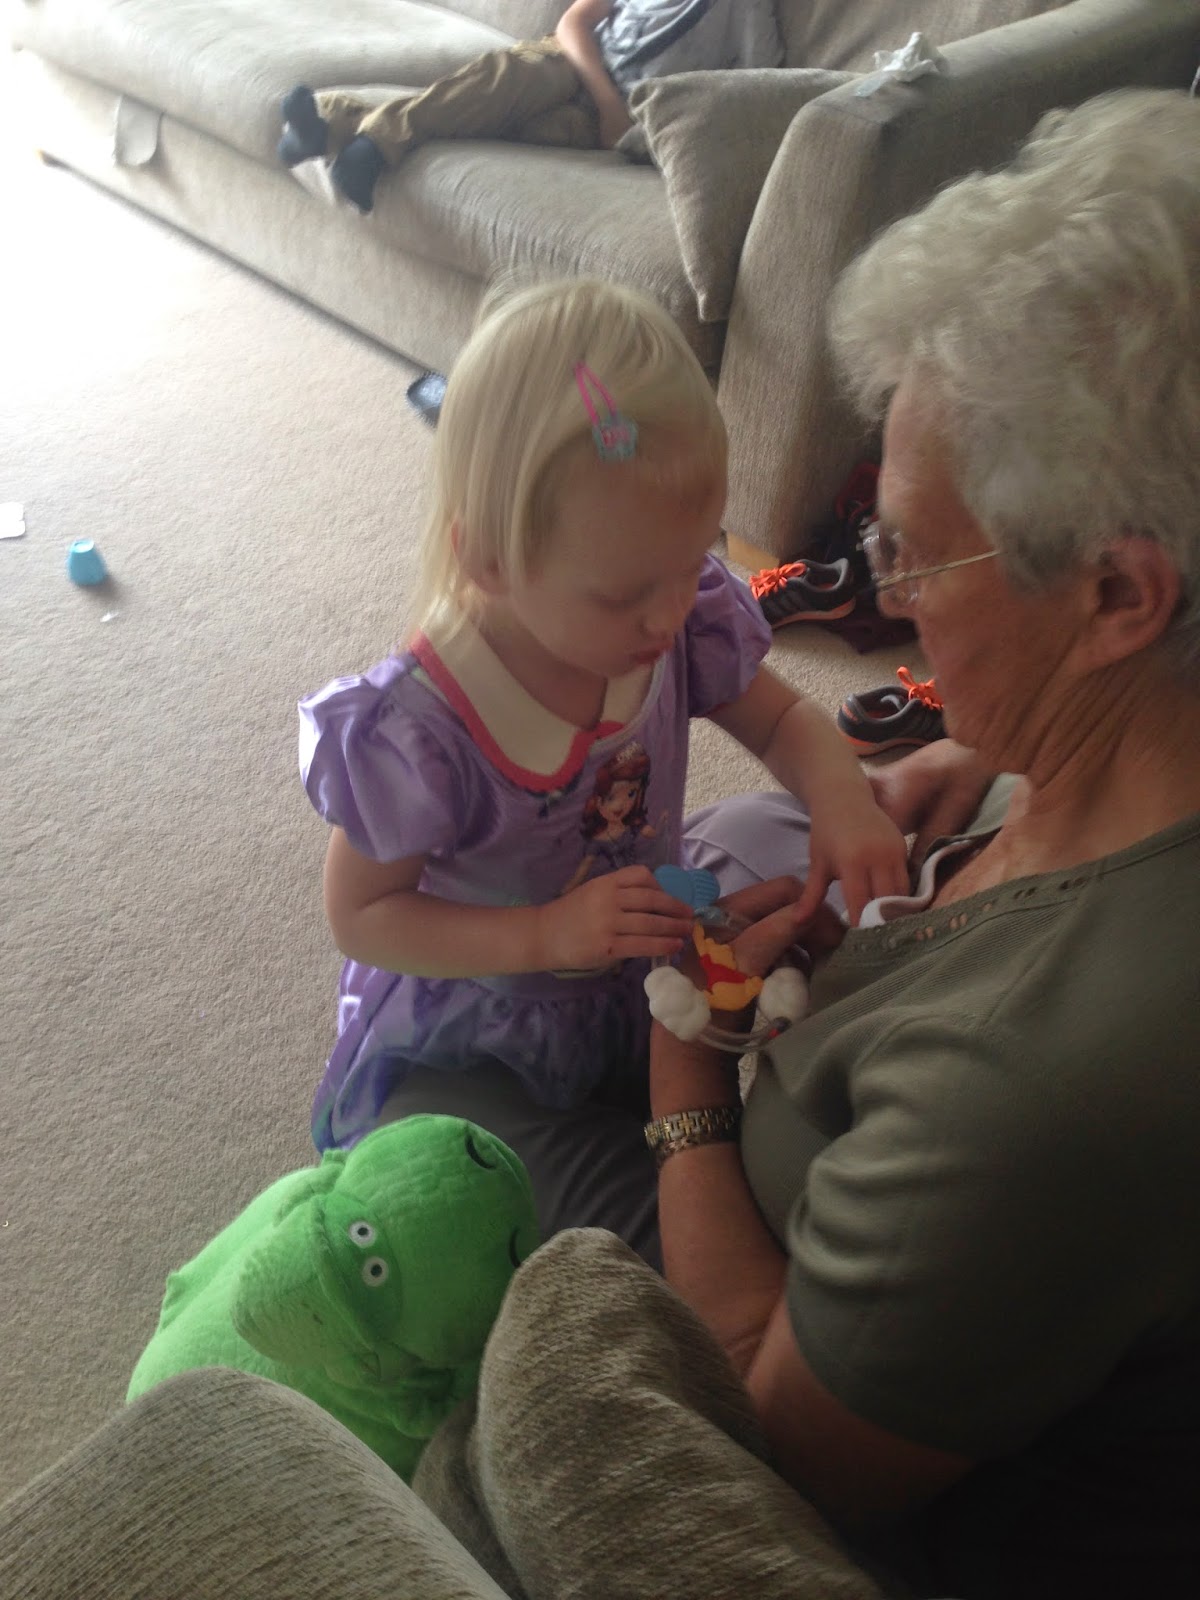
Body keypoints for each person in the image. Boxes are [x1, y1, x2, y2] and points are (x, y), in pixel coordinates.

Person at [299, 277, 908, 1195]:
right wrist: (543, 935)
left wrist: (842, 800)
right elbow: (361, 916)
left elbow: (784, 718)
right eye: (626, 594)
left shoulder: (672, 617)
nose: (672, 613)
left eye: (694, 560)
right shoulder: (421, 727)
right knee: (487, 1197)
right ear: (489, 559)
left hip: (637, 967)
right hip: (489, 1024)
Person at [276, 0, 783, 212]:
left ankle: (332, 124)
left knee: (492, 124)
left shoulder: (749, 8)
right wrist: (608, 102)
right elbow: (574, 23)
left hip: (612, 118)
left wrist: (629, 122)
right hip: (571, 62)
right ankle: (372, 144)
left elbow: (760, 87)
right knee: (501, 84)